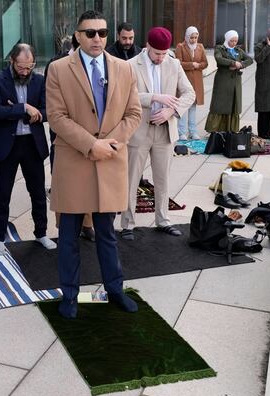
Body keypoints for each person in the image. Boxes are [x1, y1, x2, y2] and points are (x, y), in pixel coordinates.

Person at [46, 10, 142, 318]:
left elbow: (134, 114)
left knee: (107, 234)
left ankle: (115, 289)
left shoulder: (124, 69)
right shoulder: (59, 69)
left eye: (102, 32)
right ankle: (70, 295)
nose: (97, 38)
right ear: (77, 36)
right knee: (69, 236)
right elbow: (57, 117)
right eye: (90, 33)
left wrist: (109, 143)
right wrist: (91, 144)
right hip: (74, 161)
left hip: (110, 161)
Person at [120, 27, 196, 240]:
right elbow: (125, 94)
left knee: (162, 179)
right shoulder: (130, 65)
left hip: (165, 131)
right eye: (157, 54)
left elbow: (190, 93)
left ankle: (163, 220)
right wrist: (154, 97)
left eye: (164, 53)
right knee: (131, 179)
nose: (161, 58)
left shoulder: (174, 63)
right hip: (138, 131)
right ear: (147, 47)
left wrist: (172, 110)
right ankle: (127, 224)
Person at [0, 43, 56, 254]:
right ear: (12, 62)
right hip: (7, 144)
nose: (25, 72)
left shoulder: (39, 80)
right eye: (21, 67)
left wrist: (22, 110)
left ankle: (41, 233)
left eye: (29, 67)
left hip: (32, 144)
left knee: (37, 192)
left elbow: (47, 111)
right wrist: (24, 108)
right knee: (2, 194)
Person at [44, 35, 96, 242]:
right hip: (64, 137)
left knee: (89, 183)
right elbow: (52, 107)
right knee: (64, 184)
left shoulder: (95, 65)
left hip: (90, 136)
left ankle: (87, 224)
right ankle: (64, 226)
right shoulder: (56, 66)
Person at [205, 30, 253, 133]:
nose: (234, 43)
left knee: (233, 104)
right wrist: (233, 63)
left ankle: (230, 128)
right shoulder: (220, 48)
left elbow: (250, 60)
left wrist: (241, 64)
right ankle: (214, 128)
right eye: (232, 40)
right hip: (222, 80)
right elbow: (219, 59)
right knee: (219, 104)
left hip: (235, 81)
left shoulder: (238, 50)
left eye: (235, 41)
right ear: (227, 39)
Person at [175, 26, 208, 140]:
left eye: (195, 37)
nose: (194, 40)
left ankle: (193, 131)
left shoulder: (200, 47)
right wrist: (191, 65)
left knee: (193, 107)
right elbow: (178, 62)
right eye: (192, 37)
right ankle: (181, 132)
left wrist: (199, 65)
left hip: (197, 81)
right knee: (184, 107)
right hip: (185, 80)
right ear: (187, 37)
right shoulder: (180, 46)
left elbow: (205, 63)